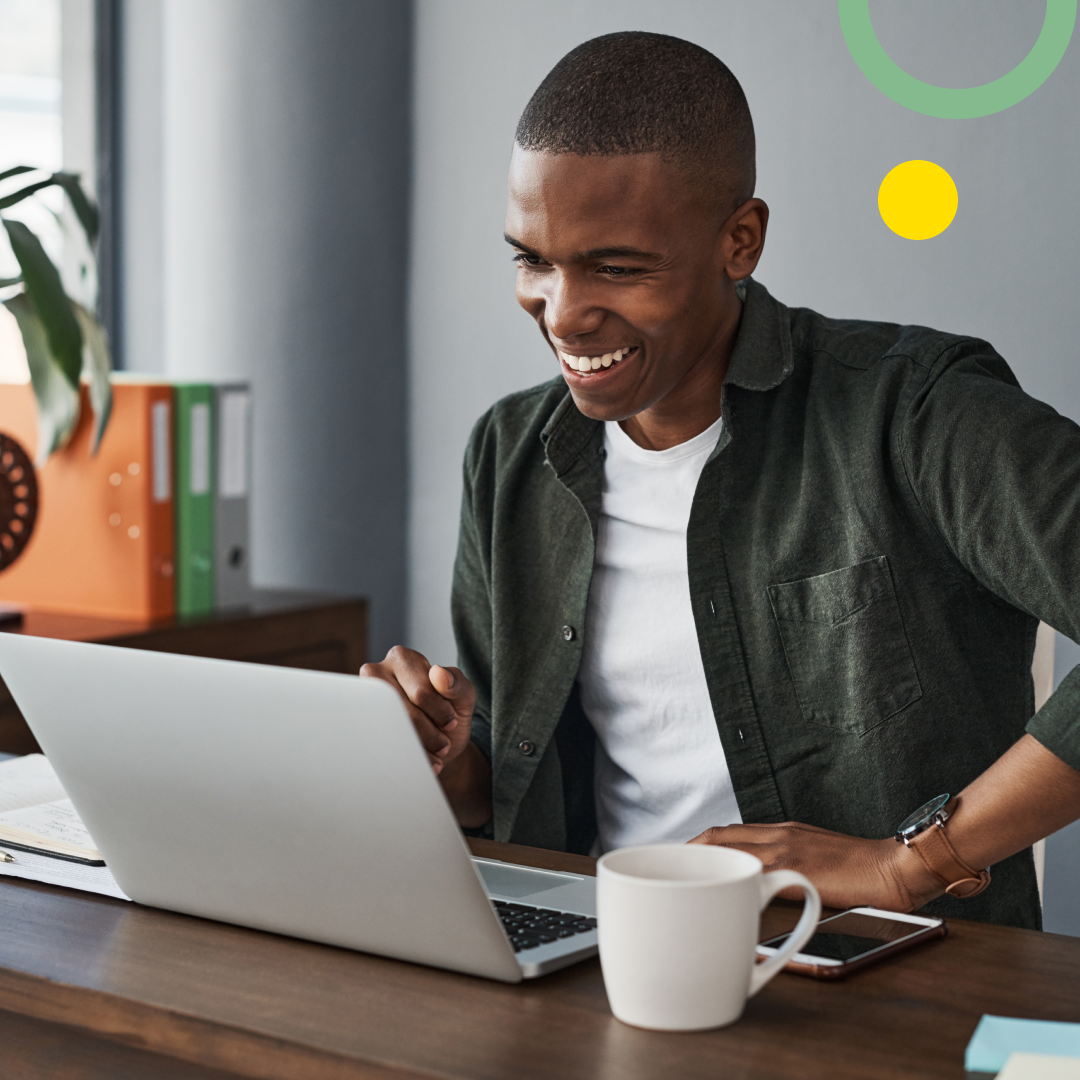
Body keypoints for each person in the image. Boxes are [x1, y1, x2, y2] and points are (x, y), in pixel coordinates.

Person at [361, 31, 1080, 928]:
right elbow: (509, 796)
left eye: (616, 267)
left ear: (740, 241)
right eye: (532, 259)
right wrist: (441, 756)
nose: (564, 312)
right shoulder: (512, 454)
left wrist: (904, 865)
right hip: (607, 956)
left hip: (884, 980)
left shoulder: (914, 413)